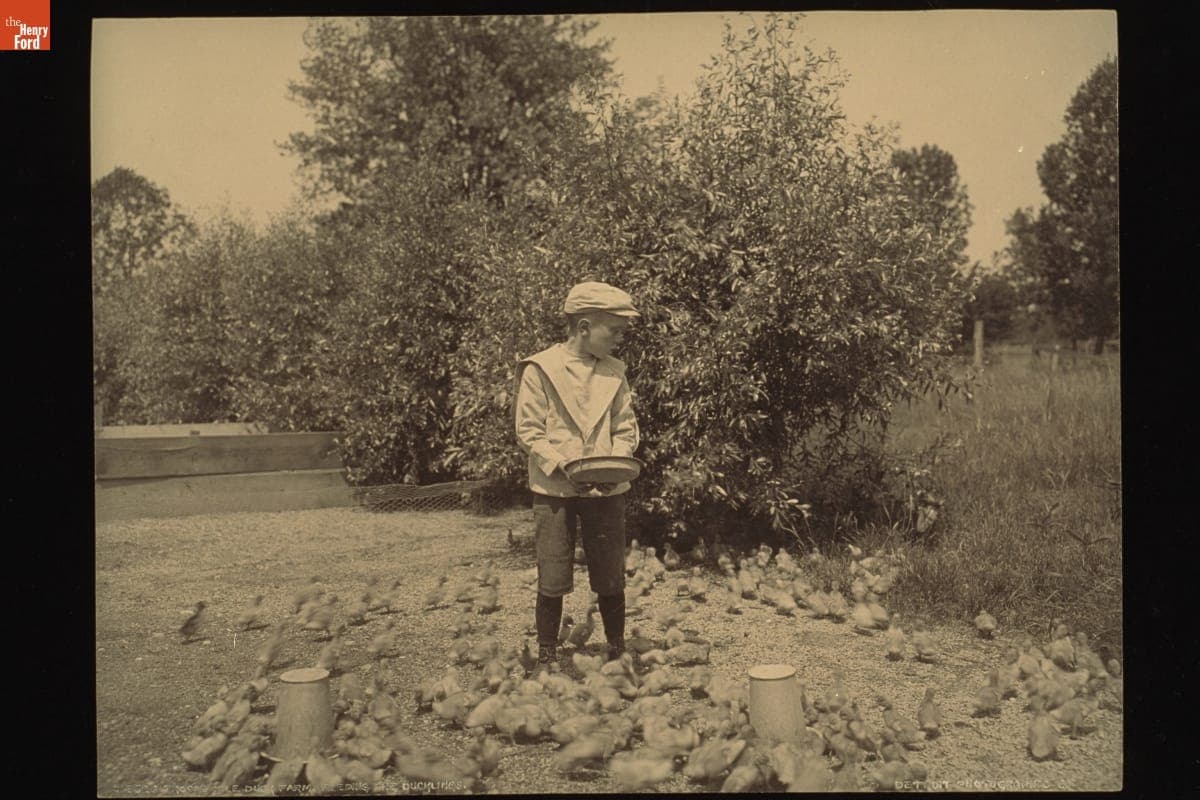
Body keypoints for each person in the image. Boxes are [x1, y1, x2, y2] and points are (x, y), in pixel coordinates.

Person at [513, 281, 641, 667]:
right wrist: (560, 465)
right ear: (584, 326)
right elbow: (528, 430)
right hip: (556, 486)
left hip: (605, 487)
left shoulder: (614, 372)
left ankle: (617, 644)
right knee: (552, 568)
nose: (620, 339)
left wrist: (615, 461)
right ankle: (548, 649)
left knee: (609, 568)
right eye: (614, 330)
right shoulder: (541, 369)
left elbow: (625, 426)